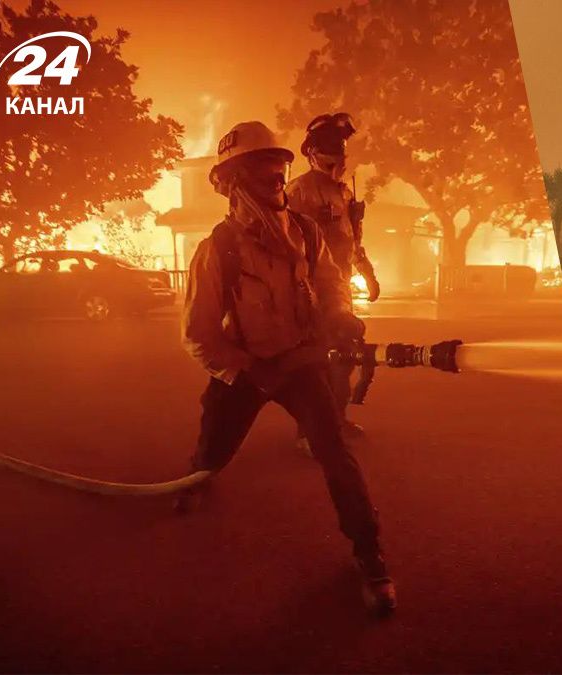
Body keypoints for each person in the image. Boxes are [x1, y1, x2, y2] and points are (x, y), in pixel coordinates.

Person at [176, 120, 395, 614]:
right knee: (212, 452)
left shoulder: (305, 232)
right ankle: (194, 481)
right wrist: (249, 371)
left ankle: (369, 555)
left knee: (336, 454)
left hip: (298, 364)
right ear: (232, 181)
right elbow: (198, 336)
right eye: (263, 171)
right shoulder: (218, 249)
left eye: (279, 170)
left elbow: (331, 282)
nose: (276, 180)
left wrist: (340, 316)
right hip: (244, 370)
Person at [286, 113, 378, 452]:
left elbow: (352, 240)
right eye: (328, 146)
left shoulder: (343, 193)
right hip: (310, 293)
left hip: (340, 292)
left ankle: (336, 420)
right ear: (311, 152)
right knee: (315, 364)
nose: (337, 153)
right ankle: (308, 433)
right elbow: (286, 244)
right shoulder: (298, 192)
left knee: (345, 355)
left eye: (340, 146)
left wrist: (368, 274)